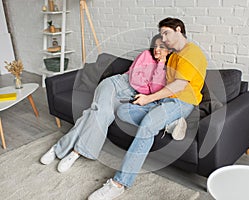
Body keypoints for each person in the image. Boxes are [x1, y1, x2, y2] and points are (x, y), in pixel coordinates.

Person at [88, 17, 208, 200]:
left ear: (178, 30)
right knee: (123, 111)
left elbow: (179, 86)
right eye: (161, 35)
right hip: (163, 101)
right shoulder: (173, 55)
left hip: (181, 102)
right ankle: (170, 125)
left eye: (166, 33)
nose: (164, 39)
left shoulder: (191, 53)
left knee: (147, 126)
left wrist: (148, 99)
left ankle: (119, 183)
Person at [40, 34, 180, 172]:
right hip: (115, 84)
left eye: (162, 47)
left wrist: (161, 63)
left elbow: (155, 89)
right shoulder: (145, 55)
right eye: (155, 46)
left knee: (92, 113)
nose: (157, 49)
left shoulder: (167, 69)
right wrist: (148, 89)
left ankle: (60, 149)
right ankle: (75, 153)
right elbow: (135, 80)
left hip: (129, 98)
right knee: (103, 112)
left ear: (169, 50)